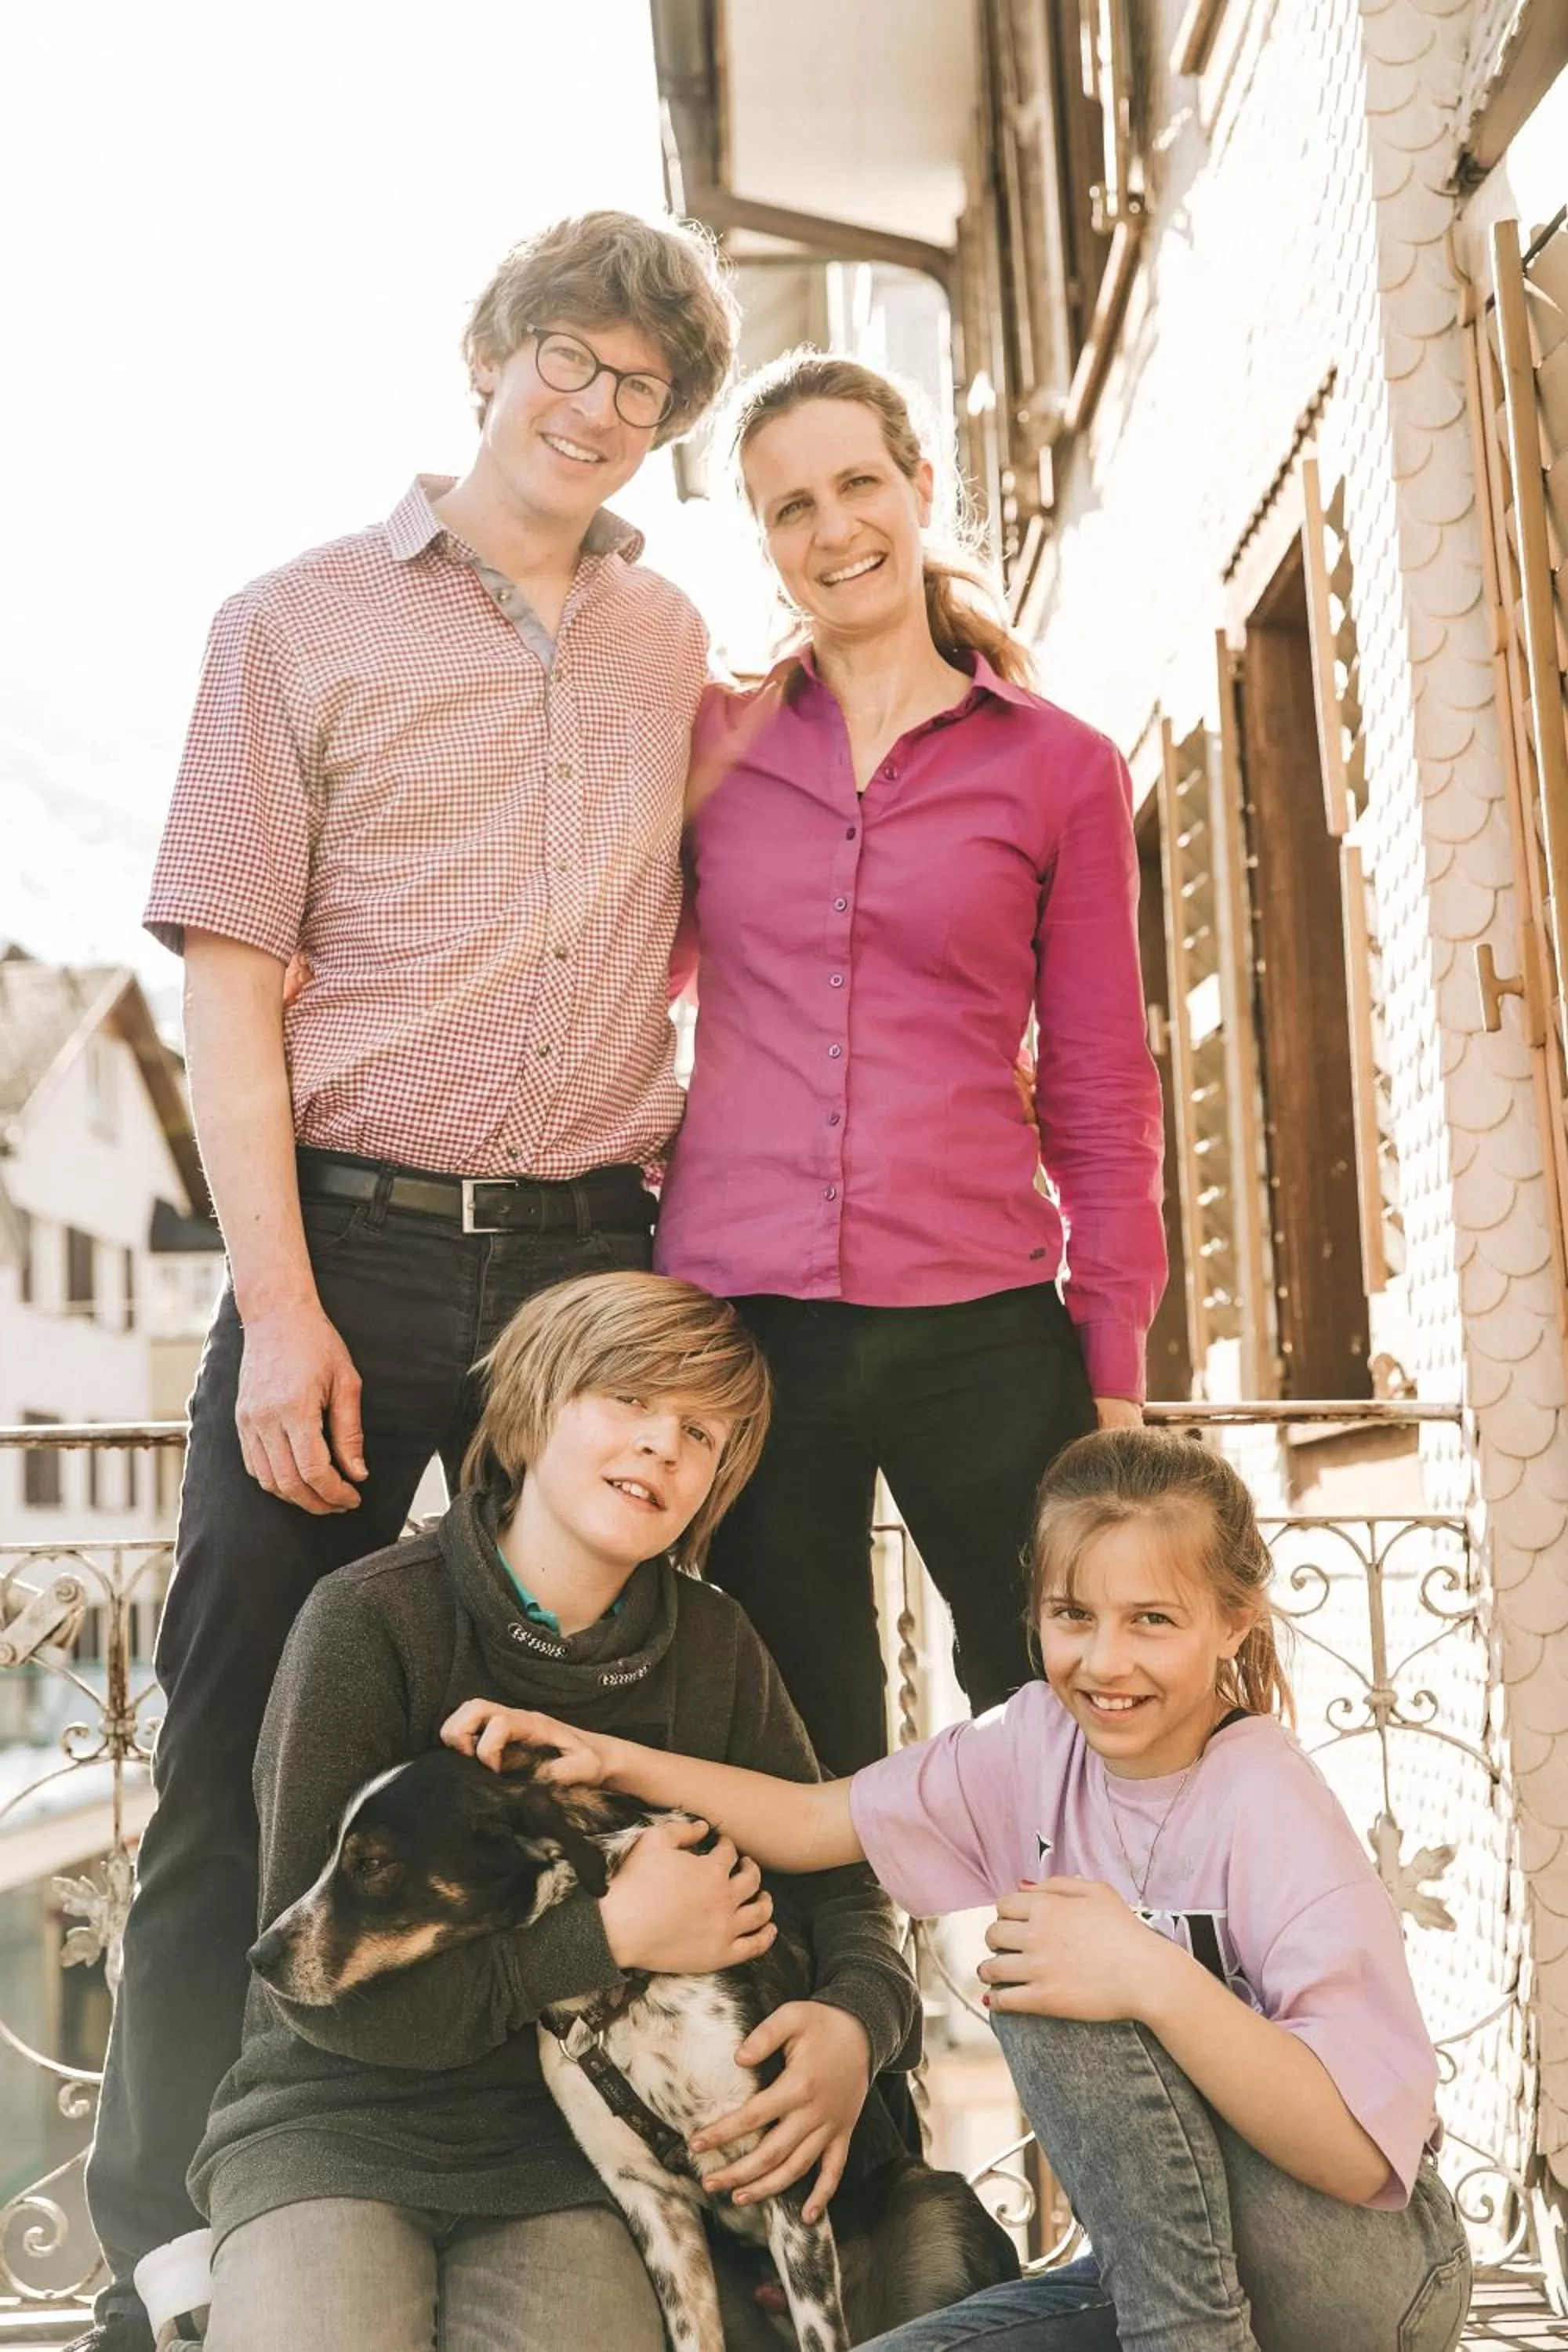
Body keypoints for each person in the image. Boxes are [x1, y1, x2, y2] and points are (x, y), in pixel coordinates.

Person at [83, 213, 739, 2352]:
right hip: (349, 1250)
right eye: (569, 355)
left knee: (597, 1732)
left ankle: (604, 2161)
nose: (595, 403)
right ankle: (169, 2223)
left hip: (586, 1265)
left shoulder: (667, 638)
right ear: (488, 354)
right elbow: (232, 993)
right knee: (249, 1725)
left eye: (643, 384)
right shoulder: (292, 624)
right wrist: (278, 1308)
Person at [448, 1427, 1473, 2352]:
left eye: (1153, 1620)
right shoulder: (1034, 1742)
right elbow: (814, 1820)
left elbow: (1351, 2163)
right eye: (1074, 1616)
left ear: (1233, 1624)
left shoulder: (1265, 1795)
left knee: (1050, 1947)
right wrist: (607, 1759)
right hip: (1166, 2274)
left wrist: (1150, 1978)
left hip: (1361, 2268)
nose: (1106, 1660)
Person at [192, 1271, 918, 2352]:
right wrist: (610, 1940)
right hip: (336, 2125)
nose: (663, 1445)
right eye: (627, 1401)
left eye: (702, 1435)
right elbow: (315, 1990)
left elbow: (837, 1866)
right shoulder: (367, 1623)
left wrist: (858, 2022)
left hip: (571, 2163)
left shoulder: (713, 1645)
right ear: (532, 1412)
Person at [654, 352, 1167, 1777]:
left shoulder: (1060, 766)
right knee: (792, 1741)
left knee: (1057, 1721)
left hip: (983, 1320)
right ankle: (843, 2004)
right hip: (741, 1327)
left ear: (922, 487)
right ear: (762, 539)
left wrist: (1110, 1354)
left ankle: (1072, 2001)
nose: (833, 531)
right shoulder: (709, 744)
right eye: (789, 507)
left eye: (860, 484)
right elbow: (618, 975)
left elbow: (1102, 1079)